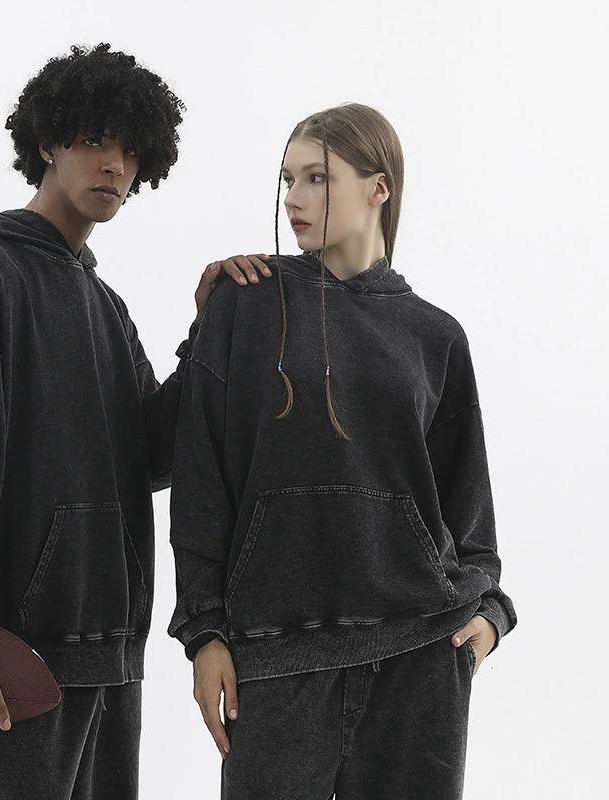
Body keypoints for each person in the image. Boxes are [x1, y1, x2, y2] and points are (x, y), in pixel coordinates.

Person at [0, 42, 272, 800]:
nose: (115, 166)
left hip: (111, 655)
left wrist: (211, 331)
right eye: (95, 140)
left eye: (131, 151)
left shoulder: (104, 307)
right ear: (47, 142)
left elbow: (152, 456)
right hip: (15, 657)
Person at [167, 102, 518, 799]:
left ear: (378, 188)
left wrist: (489, 618)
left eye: (318, 178)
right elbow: (200, 476)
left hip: (421, 653)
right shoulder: (244, 301)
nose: (294, 198)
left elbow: (467, 509)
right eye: (288, 180)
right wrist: (203, 633)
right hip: (275, 653)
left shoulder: (435, 336)